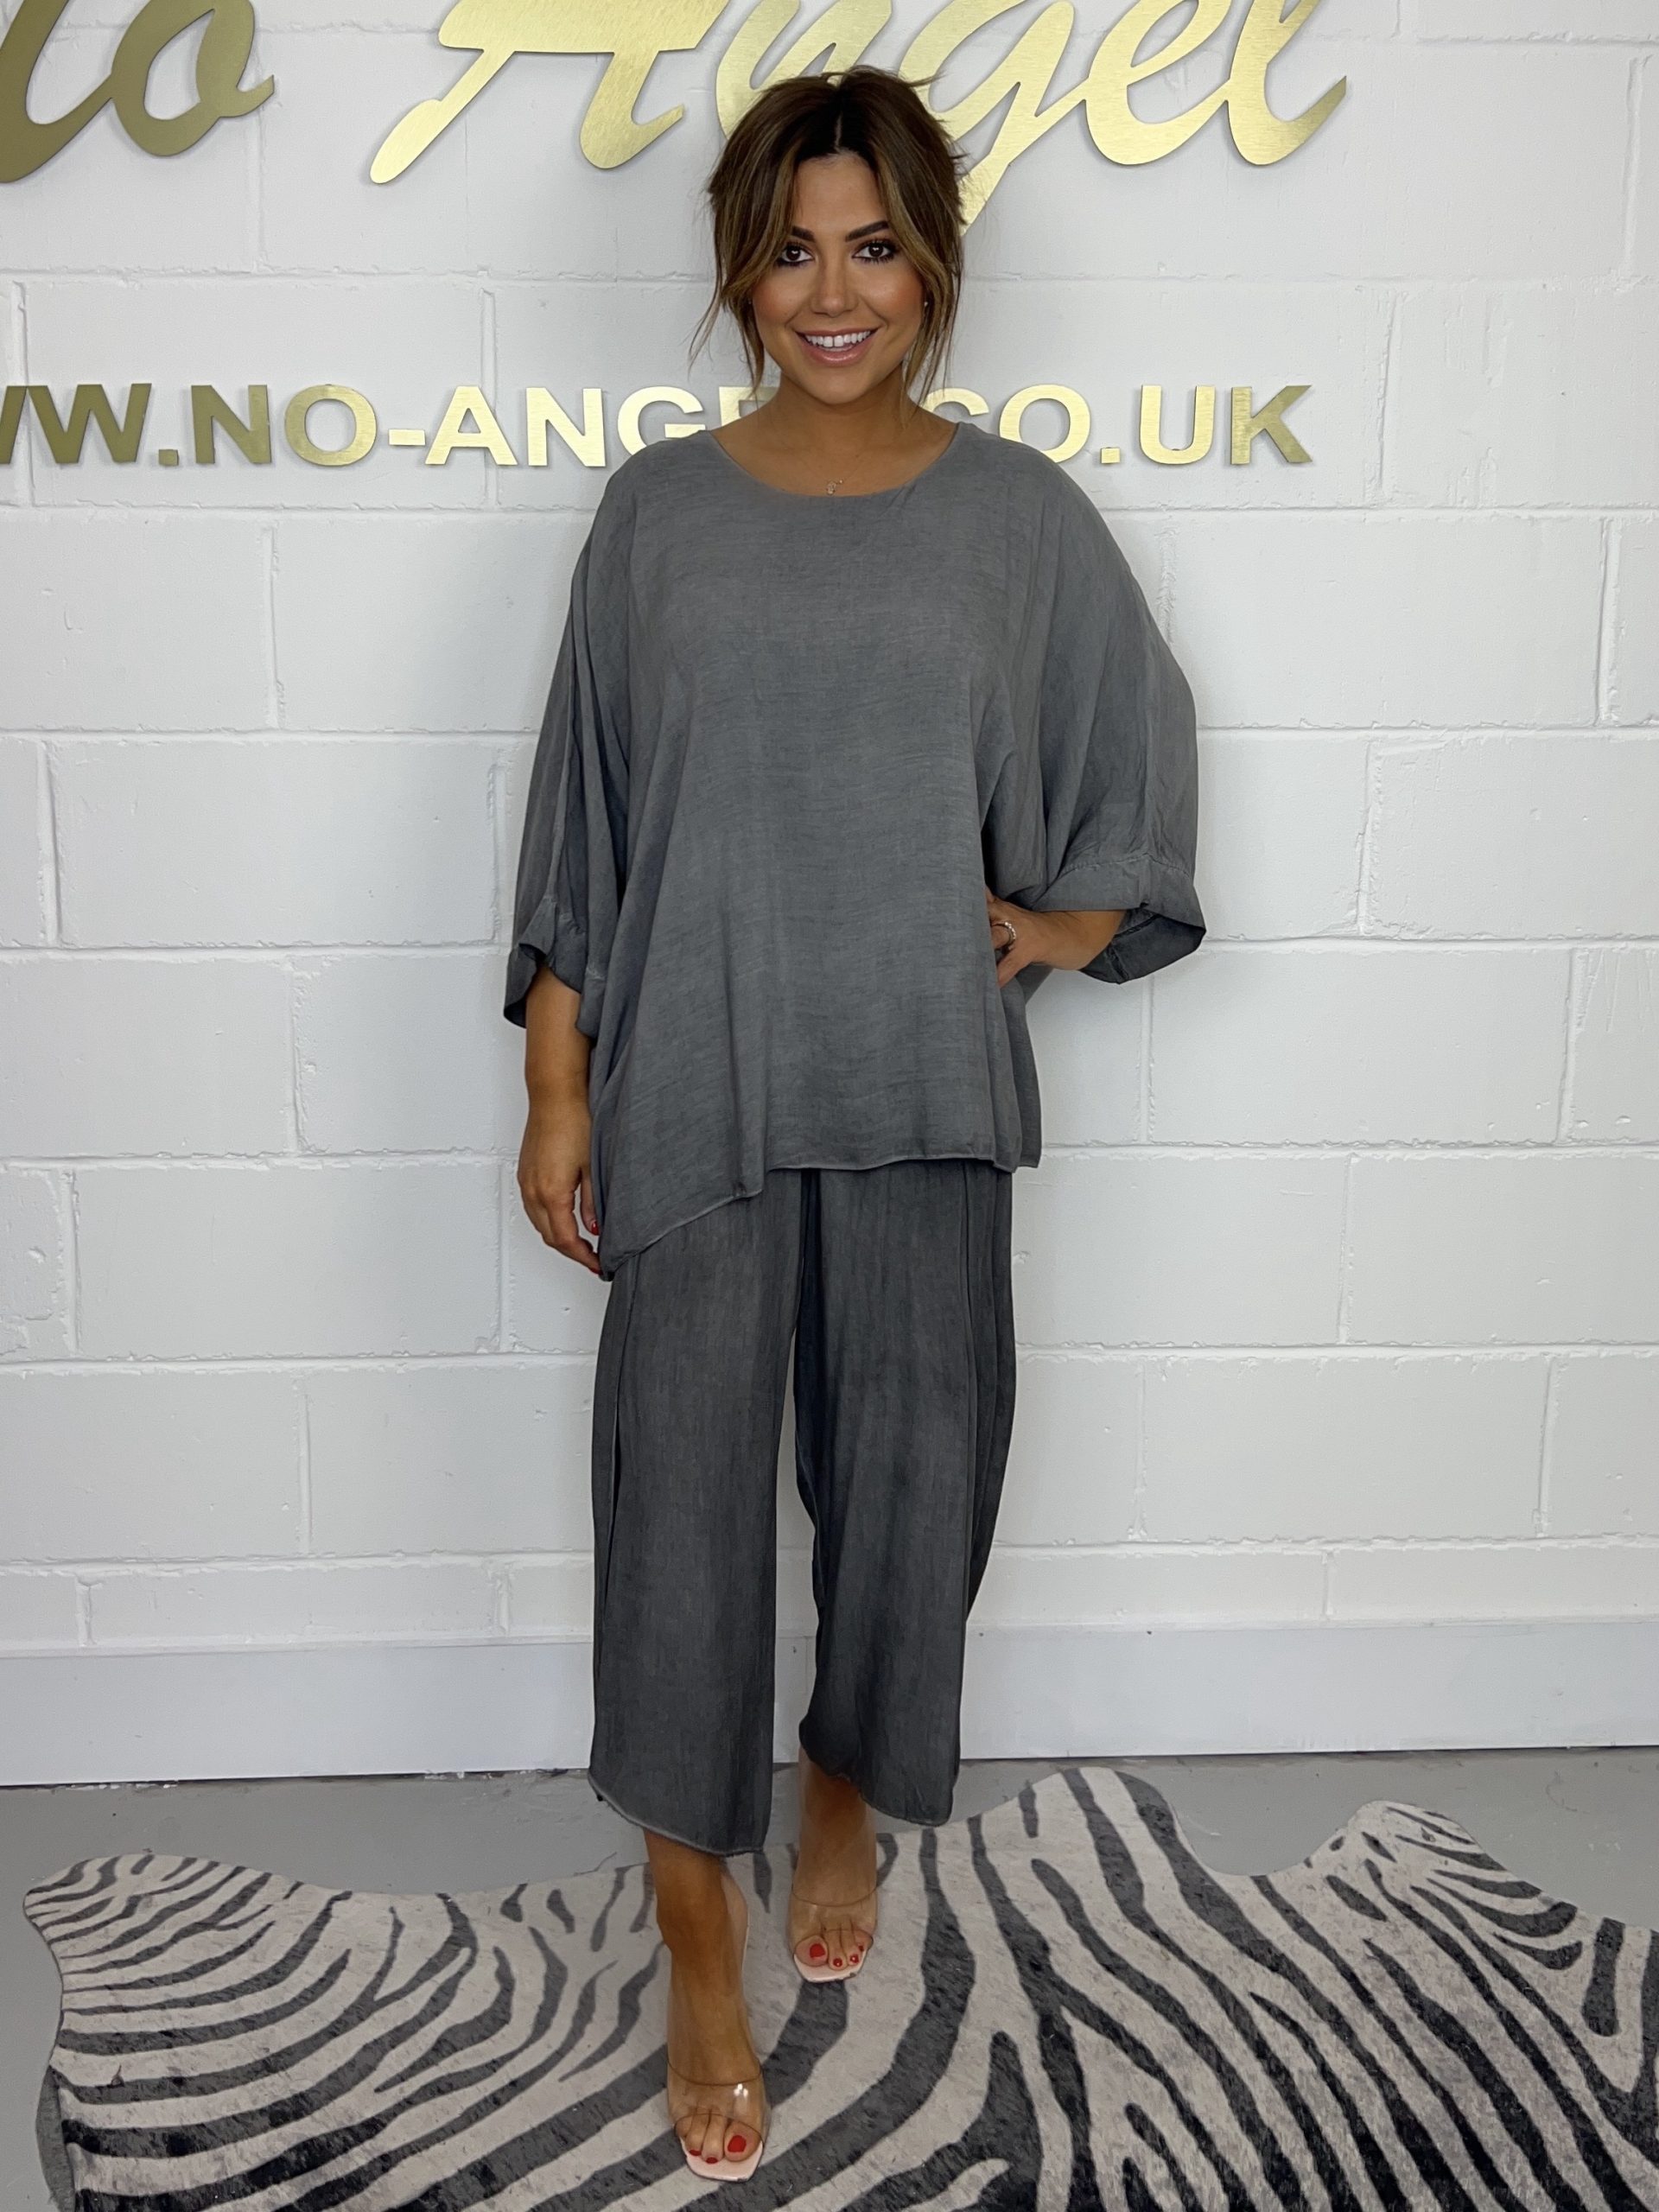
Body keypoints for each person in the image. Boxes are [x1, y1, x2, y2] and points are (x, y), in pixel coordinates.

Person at [504, 62, 1205, 2183]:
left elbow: (1133, 742)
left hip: (920, 1082)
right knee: (681, 1517)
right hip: (693, 1085)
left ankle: (839, 1783)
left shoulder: (1020, 522)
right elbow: (588, 819)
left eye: (875, 246)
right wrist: (556, 1084)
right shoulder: (656, 516)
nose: (832, 292)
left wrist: (1065, 919)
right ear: (739, 269)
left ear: (933, 263)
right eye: (792, 249)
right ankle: (691, 1928)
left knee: (912, 1490)